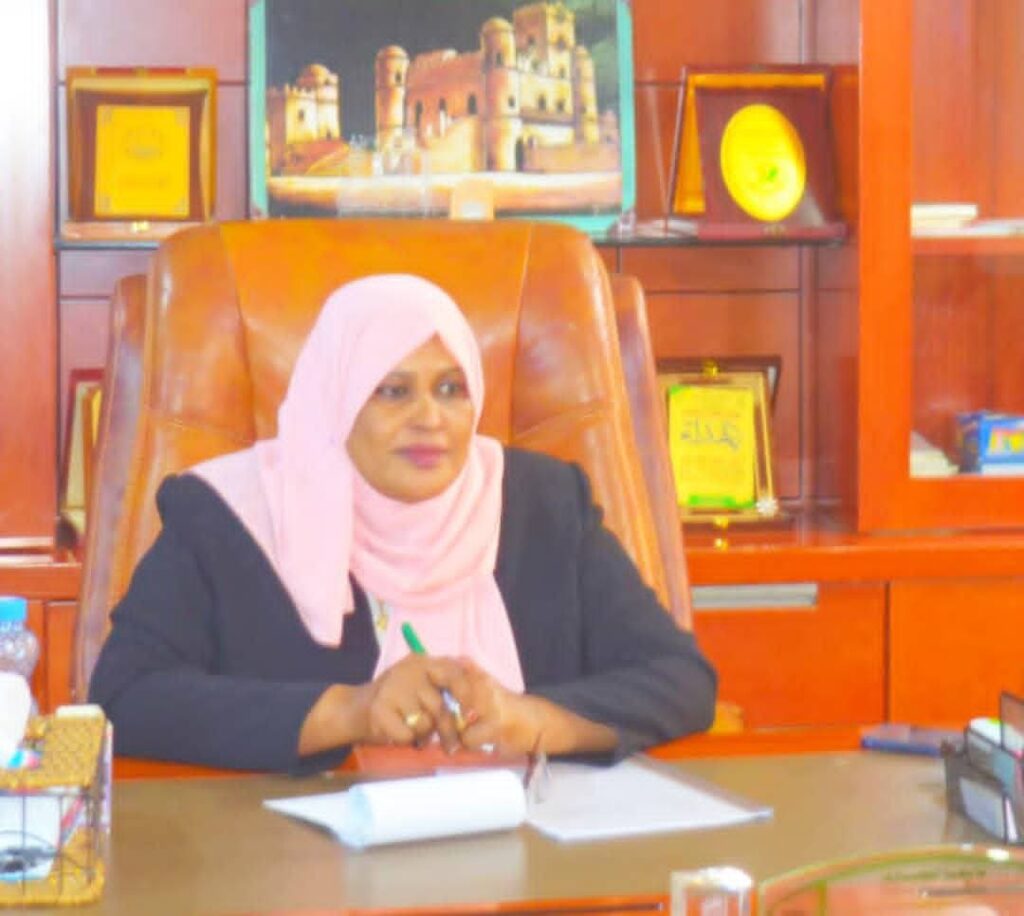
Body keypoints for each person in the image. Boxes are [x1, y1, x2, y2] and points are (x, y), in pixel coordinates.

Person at [89, 274, 717, 773]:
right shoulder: (227, 514)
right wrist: (350, 713)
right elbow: (123, 697)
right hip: (304, 869)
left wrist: (528, 720)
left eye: (451, 389)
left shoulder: (544, 504)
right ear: (338, 400)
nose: (429, 419)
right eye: (393, 391)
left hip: (523, 858)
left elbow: (680, 679)